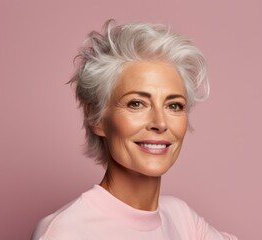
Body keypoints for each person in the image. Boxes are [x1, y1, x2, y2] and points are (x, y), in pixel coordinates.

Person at [32, 19, 237, 240]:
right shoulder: (66, 232)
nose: (160, 122)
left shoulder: (182, 219)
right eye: (136, 103)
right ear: (96, 117)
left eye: (173, 105)